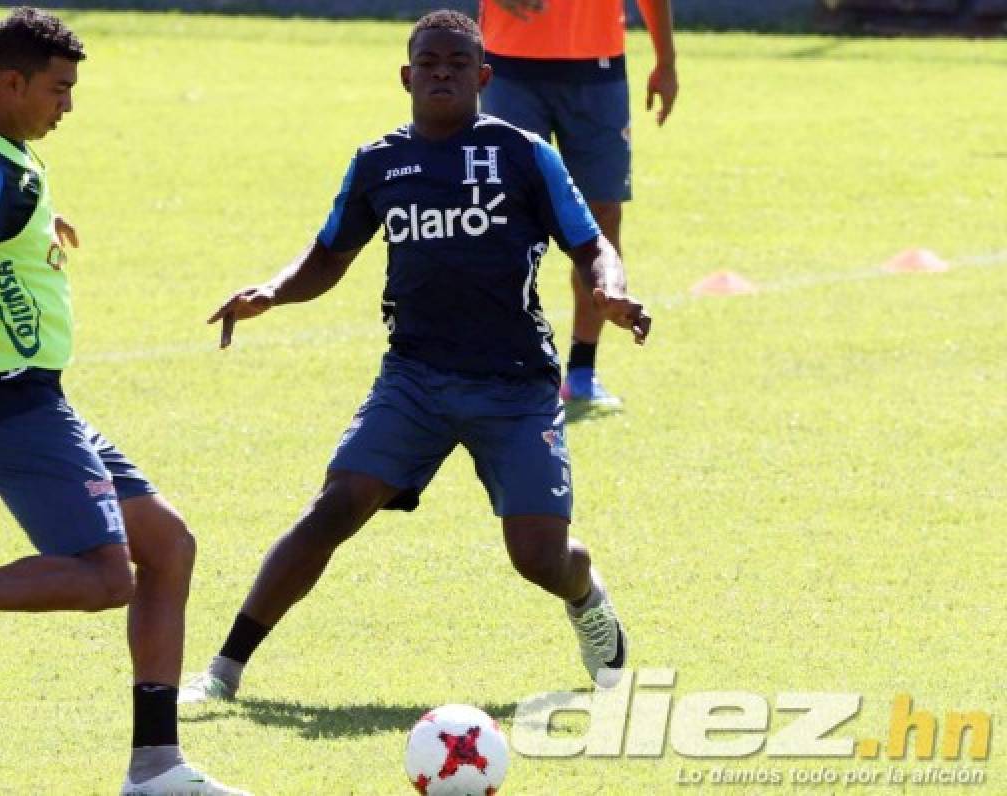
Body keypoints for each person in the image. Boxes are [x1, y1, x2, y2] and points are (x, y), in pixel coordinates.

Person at [179, 9, 650, 706]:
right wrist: (272, 292)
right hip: (416, 379)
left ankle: (587, 599)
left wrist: (610, 286)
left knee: (539, 558)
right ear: (406, 75)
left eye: (458, 64)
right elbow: (328, 255)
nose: (442, 74)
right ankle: (224, 671)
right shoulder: (378, 162)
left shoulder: (524, 154)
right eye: (428, 62)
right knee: (334, 507)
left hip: (515, 385)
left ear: (483, 77)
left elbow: (589, 242)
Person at [0, 9, 247, 795]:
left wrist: (32, 227)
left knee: (166, 543)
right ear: (12, 82)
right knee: (108, 577)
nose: (67, 105)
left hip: (33, 400)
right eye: (59, 90)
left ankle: (156, 767)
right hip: (5, 409)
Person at [480, 0, 678, 413]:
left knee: (601, 216)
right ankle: (507, 367)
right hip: (508, 65)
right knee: (501, 218)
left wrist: (666, 60)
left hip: (597, 69)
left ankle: (582, 373)